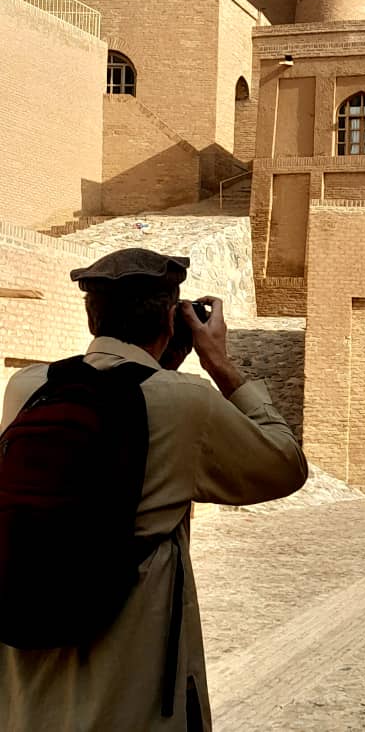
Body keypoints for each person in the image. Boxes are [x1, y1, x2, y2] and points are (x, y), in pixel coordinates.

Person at [0, 248, 308, 732]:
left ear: (91, 316)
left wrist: (162, 364)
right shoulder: (184, 401)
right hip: (128, 692)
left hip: (26, 684)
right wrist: (219, 364)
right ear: (171, 318)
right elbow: (286, 465)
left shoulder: (28, 387)